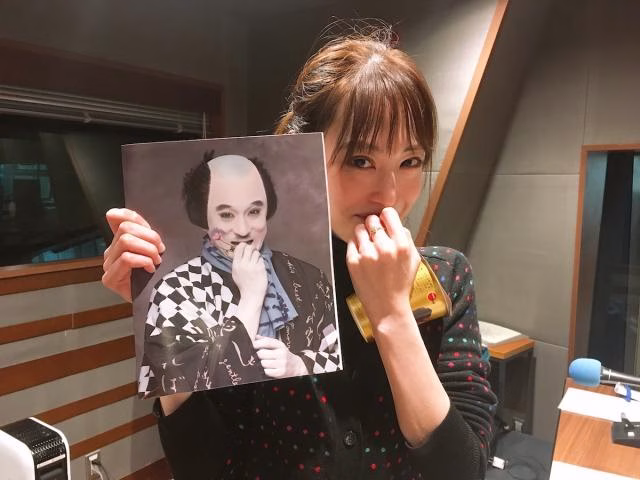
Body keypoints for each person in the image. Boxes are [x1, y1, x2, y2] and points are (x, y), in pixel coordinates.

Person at [102, 26, 497, 480]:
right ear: (300, 156)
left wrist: (392, 316)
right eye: (360, 161)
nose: (389, 194)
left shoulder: (445, 276)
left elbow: (465, 469)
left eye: (410, 161)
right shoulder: (249, 278)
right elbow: (206, 468)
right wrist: (165, 328)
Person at [138, 152, 339, 397]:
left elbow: (340, 358)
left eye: (254, 211)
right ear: (203, 218)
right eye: (226, 215)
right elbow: (177, 394)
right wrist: (251, 299)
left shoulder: (309, 278)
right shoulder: (175, 289)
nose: (243, 230)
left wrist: (300, 365)